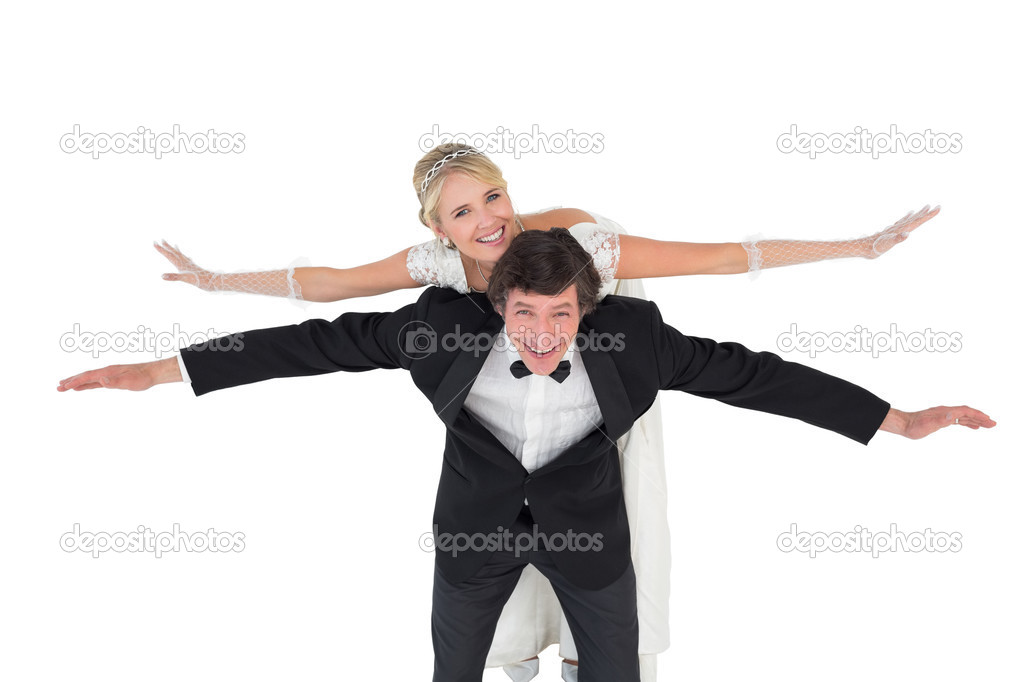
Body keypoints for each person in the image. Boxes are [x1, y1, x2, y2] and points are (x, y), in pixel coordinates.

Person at [149, 143, 940, 682]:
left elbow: (727, 265)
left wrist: (858, 248)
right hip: (487, 477)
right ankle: (524, 647)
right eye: (463, 213)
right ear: (437, 230)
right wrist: (214, 286)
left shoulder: (587, 254)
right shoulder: (434, 292)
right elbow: (324, 299)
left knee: (612, 526)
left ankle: (578, 650)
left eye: (493, 196)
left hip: (599, 397)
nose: (486, 220)